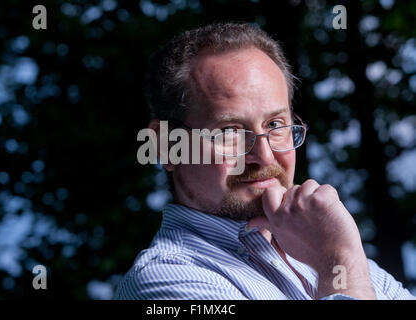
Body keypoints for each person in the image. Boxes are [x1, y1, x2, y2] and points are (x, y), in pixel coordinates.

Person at [115, 22, 415, 300]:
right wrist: (341, 262)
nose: (265, 156)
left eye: (274, 125)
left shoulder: (328, 252)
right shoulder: (163, 281)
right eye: (230, 131)